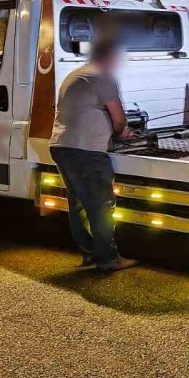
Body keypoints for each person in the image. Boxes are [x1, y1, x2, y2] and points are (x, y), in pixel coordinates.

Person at [49, 34, 139, 272]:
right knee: (101, 204)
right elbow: (119, 119)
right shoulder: (104, 77)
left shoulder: (76, 74)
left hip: (62, 145)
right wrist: (122, 133)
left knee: (79, 203)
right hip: (86, 150)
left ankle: (89, 253)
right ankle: (108, 259)